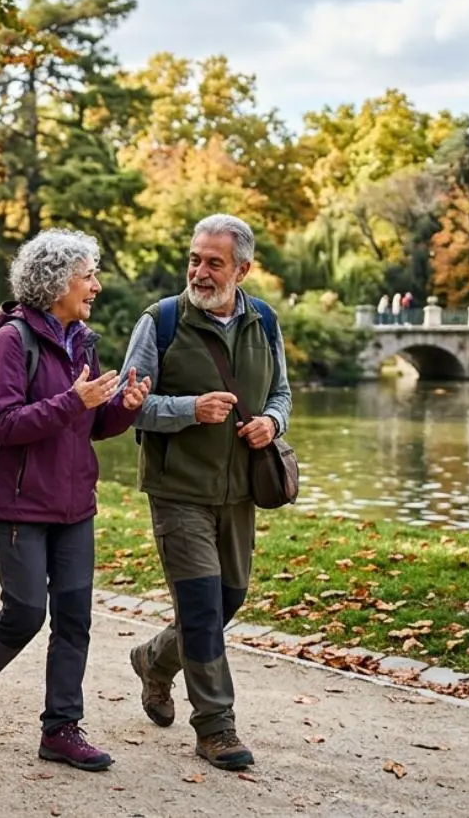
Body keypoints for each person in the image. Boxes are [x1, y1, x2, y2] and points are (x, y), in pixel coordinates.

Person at [0, 229, 148, 772]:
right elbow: (4, 424)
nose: (96, 287)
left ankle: (61, 728)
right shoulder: (11, 342)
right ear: (56, 282)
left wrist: (122, 407)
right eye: (88, 276)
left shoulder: (81, 337)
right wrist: (70, 400)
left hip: (74, 502)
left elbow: (89, 423)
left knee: (75, 617)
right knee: (27, 612)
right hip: (17, 503)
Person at [119, 214, 292, 772]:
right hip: (178, 489)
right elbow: (129, 405)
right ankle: (216, 727)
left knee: (227, 601)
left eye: (214, 261)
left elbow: (283, 394)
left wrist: (272, 421)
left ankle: (153, 659)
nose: (200, 270)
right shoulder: (161, 322)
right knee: (199, 606)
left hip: (240, 489)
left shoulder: (264, 321)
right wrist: (187, 409)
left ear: (242, 268)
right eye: (195, 258)